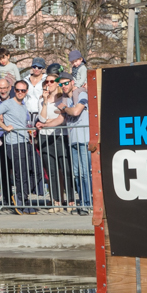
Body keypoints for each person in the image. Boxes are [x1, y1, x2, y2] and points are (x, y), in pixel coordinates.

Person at [0, 78, 38, 213]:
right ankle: (22, 201)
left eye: (23, 90)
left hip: (24, 141)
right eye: (18, 90)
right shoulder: (9, 103)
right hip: (14, 143)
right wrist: (4, 127)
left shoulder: (23, 106)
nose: (20, 92)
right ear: (14, 90)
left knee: (34, 171)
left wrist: (30, 132)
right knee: (20, 173)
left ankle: (23, 198)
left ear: (26, 91)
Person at [36, 74, 71, 210]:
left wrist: (48, 122)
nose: (49, 83)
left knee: (65, 168)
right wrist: (45, 102)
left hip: (60, 135)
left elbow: (61, 118)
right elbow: (42, 119)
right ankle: (56, 200)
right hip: (45, 136)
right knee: (51, 170)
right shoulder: (41, 100)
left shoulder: (63, 99)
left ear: (57, 84)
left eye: (52, 81)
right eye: (47, 81)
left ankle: (70, 200)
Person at [57, 73, 91, 212]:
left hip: (84, 139)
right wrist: (44, 125)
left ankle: (87, 203)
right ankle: (82, 201)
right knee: (77, 174)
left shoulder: (81, 94)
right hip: (73, 140)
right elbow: (61, 118)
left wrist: (64, 108)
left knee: (85, 173)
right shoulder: (67, 99)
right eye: (61, 84)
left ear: (72, 82)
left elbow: (76, 111)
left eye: (66, 83)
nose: (63, 86)